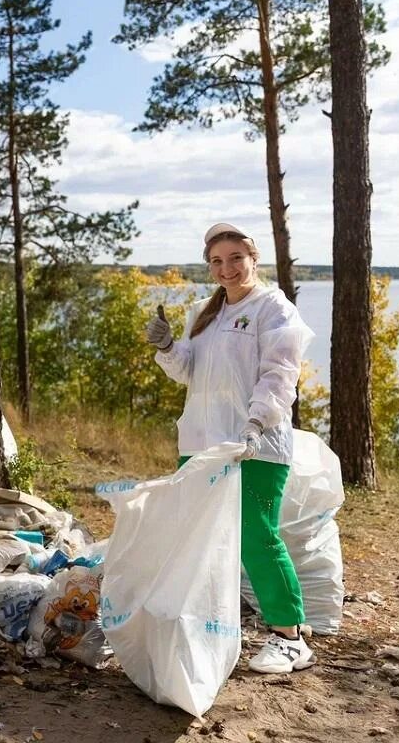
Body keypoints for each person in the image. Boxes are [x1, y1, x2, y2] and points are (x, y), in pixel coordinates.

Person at [145, 222, 315, 675]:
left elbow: (279, 374)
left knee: (256, 536)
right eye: (217, 261)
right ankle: (210, 624)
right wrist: (166, 346)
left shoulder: (273, 308)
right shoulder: (203, 310)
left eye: (236, 258)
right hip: (202, 442)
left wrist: (257, 423)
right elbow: (189, 372)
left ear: (253, 259)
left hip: (254, 443)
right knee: (201, 537)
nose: (227, 269)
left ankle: (290, 637)